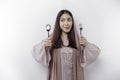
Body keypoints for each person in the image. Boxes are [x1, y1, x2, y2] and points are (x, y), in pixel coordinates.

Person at [32, 9, 100, 80]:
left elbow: (95, 52)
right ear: (58, 23)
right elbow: (35, 52)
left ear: (72, 22)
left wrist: (86, 44)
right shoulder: (51, 40)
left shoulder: (79, 40)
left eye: (69, 20)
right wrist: (43, 46)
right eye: (62, 20)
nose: (66, 23)